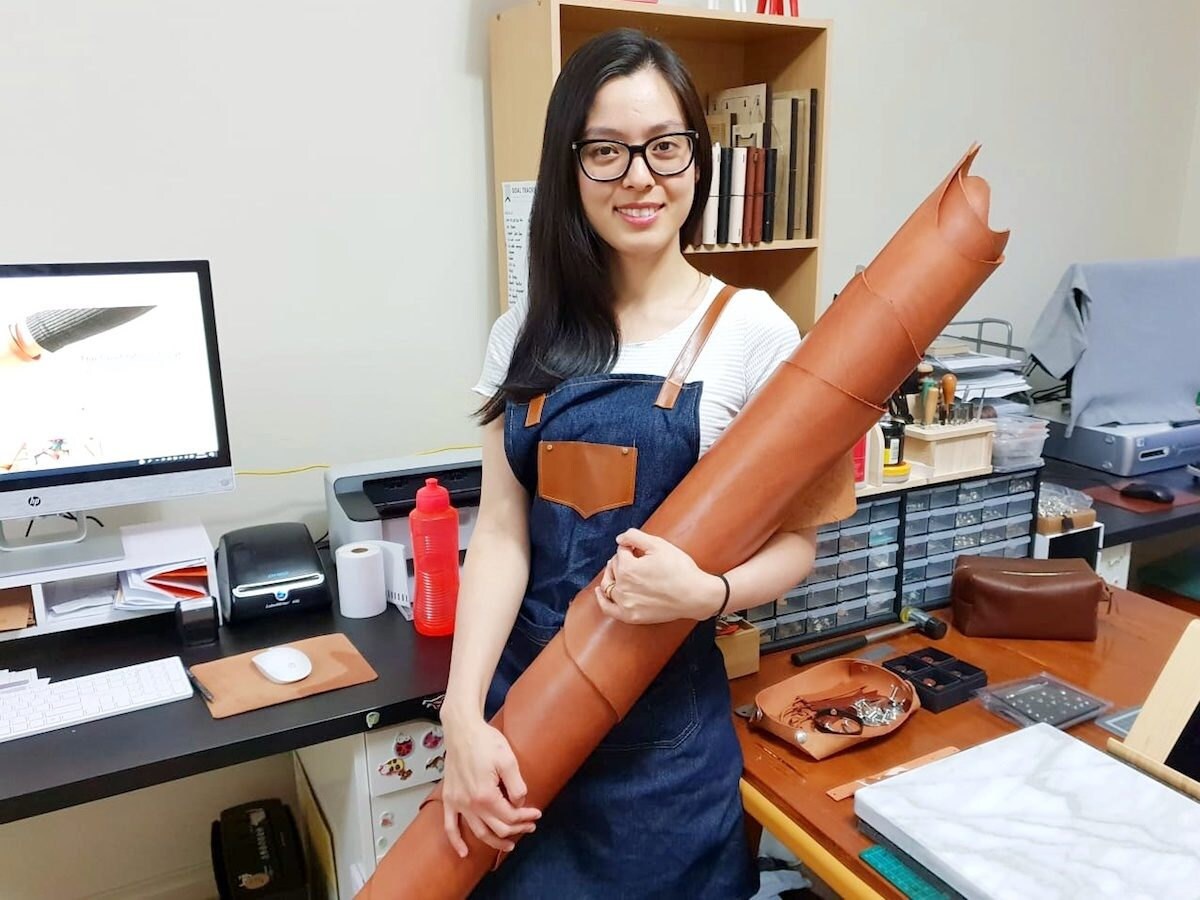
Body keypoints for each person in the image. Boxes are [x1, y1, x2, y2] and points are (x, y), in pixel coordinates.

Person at [441, 28, 852, 899]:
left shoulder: (755, 334)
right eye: (607, 151)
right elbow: (505, 537)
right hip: (531, 731)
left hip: (666, 755)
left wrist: (712, 594)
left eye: (665, 147)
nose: (640, 177)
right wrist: (463, 716)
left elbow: (801, 544)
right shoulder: (522, 334)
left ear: (697, 161)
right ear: (569, 166)